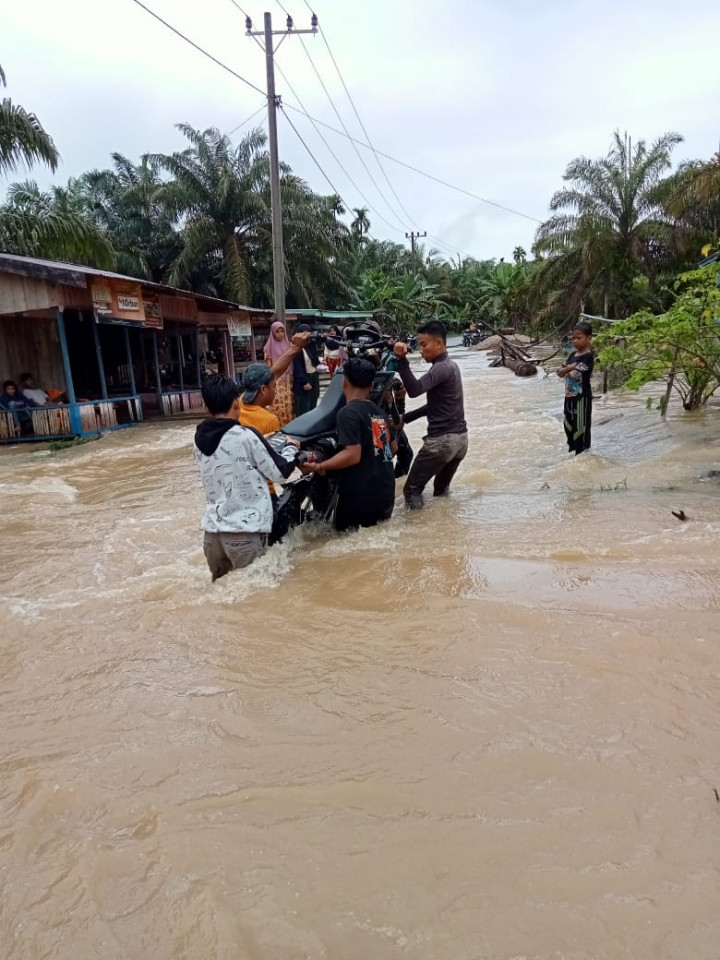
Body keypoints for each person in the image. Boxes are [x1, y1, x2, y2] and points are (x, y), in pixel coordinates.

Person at [194, 376, 299, 582]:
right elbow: (279, 472)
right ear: (236, 402)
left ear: (206, 407)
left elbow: (227, 451)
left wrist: (262, 440)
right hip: (243, 534)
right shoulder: (246, 436)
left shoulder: (198, 439)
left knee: (224, 597)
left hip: (212, 536)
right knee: (256, 598)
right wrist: (291, 448)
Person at [300, 357, 397, 533]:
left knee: (346, 542)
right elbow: (393, 448)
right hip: (385, 493)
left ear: (345, 382)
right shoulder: (380, 412)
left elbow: (352, 455)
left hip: (360, 496)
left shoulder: (347, 413)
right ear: (371, 385)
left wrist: (319, 466)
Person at [393, 320, 468, 509]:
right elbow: (434, 406)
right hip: (460, 440)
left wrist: (402, 361)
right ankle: (443, 531)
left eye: (424, 345)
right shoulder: (451, 366)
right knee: (441, 491)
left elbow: (415, 390)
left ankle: (417, 534)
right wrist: (405, 419)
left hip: (442, 442)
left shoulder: (441, 368)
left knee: (411, 490)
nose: (421, 350)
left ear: (440, 344)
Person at [557, 321, 594, 455]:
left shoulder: (588, 356)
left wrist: (568, 369)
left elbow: (576, 374)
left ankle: (583, 455)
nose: (575, 341)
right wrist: (570, 367)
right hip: (569, 396)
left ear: (588, 338)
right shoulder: (572, 355)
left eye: (579, 338)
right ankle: (572, 452)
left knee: (581, 428)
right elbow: (560, 372)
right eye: (573, 338)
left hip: (581, 398)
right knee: (568, 424)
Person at [263, 321, 295, 427]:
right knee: (278, 405)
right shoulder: (268, 348)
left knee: (288, 406)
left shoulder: (288, 346)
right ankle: (278, 427)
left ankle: (288, 428)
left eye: (282, 331)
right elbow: (269, 368)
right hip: (276, 381)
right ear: (273, 333)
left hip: (287, 380)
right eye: (277, 332)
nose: (280, 334)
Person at [239, 363, 281, 435]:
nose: (275, 391)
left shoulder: (238, 403)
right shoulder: (269, 420)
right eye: (273, 386)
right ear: (263, 389)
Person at [293, 323, 321, 416]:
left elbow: (315, 361)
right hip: (305, 378)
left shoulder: (311, 346)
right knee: (305, 403)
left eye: (308, 333)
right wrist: (304, 381)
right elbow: (298, 366)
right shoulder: (297, 348)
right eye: (304, 333)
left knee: (314, 399)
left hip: (314, 376)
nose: (306, 336)